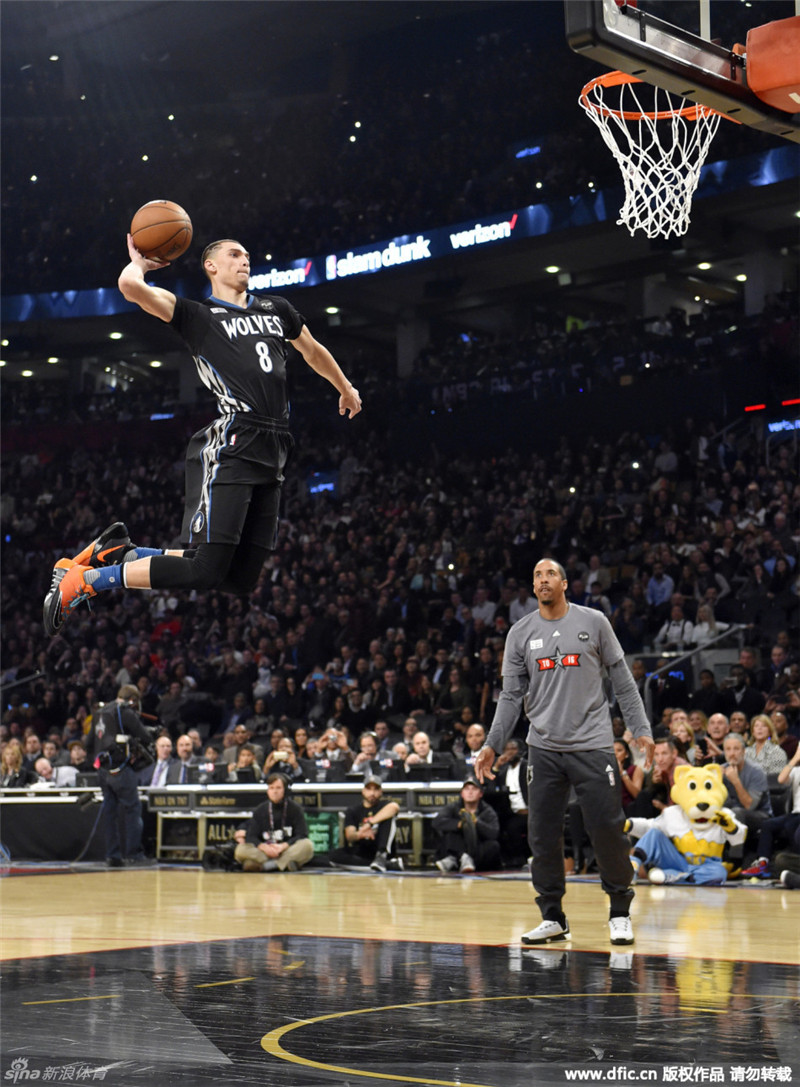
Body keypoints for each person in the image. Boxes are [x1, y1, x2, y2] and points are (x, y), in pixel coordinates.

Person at [43, 235, 361, 636]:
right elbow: (129, 288)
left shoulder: (277, 309)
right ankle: (84, 582)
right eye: (234, 254)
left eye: (247, 254)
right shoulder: (199, 315)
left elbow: (312, 350)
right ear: (210, 266)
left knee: (239, 579)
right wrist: (141, 264)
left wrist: (345, 387)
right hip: (234, 441)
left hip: (276, 444)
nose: (245, 260)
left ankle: (119, 553)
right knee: (204, 566)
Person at [475, 558, 654, 947]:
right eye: (537, 574)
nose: (543, 579)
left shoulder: (594, 622)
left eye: (550, 573)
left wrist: (640, 729)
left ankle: (620, 912)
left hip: (592, 744)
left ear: (565, 583)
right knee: (542, 835)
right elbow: (509, 697)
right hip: (542, 748)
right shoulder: (520, 633)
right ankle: (552, 916)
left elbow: (623, 681)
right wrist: (491, 743)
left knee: (606, 830)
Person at [86, 684, 153, 866]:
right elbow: (145, 736)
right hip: (121, 770)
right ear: (133, 699)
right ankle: (134, 854)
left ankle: (112, 855)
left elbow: (89, 742)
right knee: (132, 810)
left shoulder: (99, 713)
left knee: (109, 813)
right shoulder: (125, 712)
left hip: (103, 771)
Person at [233, 772, 314, 872]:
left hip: (285, 850)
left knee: (307, 846)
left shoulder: (295, 809)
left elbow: (302, 834)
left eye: (278, 788)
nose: (274, 791)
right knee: (240, 850)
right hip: (265, 851)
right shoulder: (260, 809)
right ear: (267, 791)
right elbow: (251, 836)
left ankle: (267, 866)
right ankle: (284, 864)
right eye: (271, 788)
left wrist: (283, 846)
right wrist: (263, 847)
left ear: (285, 790)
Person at [323, 776, 403, 871]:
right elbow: (350, 835)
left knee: (389, 817)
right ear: (363, 791)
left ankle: (381, 857)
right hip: (362, 851)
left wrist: (369, 824)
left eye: (376, 789)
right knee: (334, 856)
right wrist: (359, 834)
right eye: (369, 789)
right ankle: (386, 865)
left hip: (381, 848)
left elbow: (394, 807)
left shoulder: (384, 805)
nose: (372, 793)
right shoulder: (353, 810)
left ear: (381, 792)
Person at [433, 777, 501, 874]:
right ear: (462, 793)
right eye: (467, 789)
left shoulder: (487, 811)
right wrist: (459, 824)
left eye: (474, 789)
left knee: (493, 846)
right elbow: (437, 822)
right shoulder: (453, 807)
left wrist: (476, 823)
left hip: (478, 848)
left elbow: (494, 833)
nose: (470, 792)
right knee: (450, 836)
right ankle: (462, 858)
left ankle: (456, 860)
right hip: (457, 843)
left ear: (480, 794)